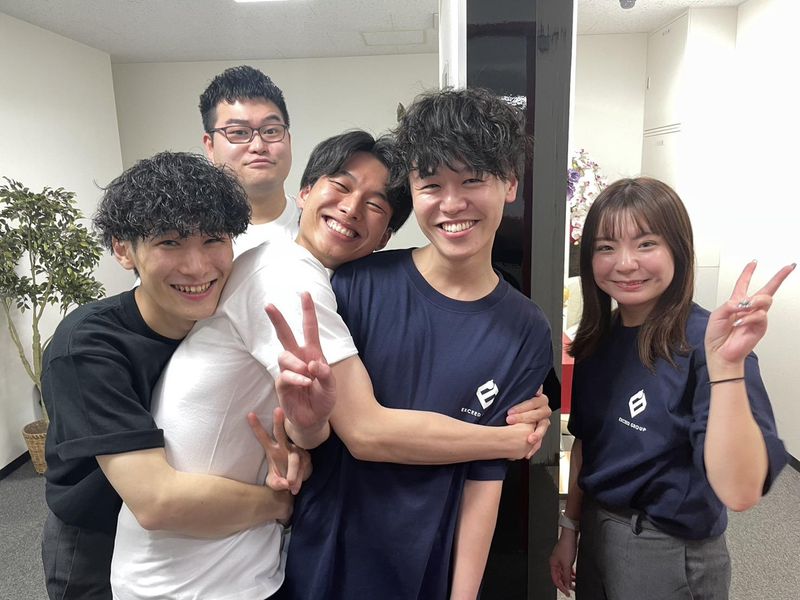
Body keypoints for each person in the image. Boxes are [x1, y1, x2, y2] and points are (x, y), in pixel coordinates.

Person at [110, 129, 551, 600]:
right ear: (304, 192)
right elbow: (364, 431)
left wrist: (302, 437)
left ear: (385, 235)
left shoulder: (311, 276)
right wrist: (505, 440)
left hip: (241, 565)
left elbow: (310, 426)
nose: (351, 208)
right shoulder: (289, 276)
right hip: (185, 579)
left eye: (376, 205)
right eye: (340, 186)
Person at [279, 88, 554, 600]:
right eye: (431, 184)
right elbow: (349, 431)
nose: (452, 204)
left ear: (510, 184)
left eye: (473, 180)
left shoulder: (526, 330)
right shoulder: (356, 285)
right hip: (326, 554)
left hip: (427, 562)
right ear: (412, 188)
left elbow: (483, 484)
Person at [40, 152, 294, 600]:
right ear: (123, 250)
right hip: (97, 534)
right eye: (170, 243)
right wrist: (281, 504)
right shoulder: (87, 346)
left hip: (199, 539)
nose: (197, 267)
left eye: (213, 239)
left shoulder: (224, 323)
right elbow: (157, 501)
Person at [549, 177, 793, 599]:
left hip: (666, 547)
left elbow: (740, 490)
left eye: (646, 243)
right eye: (606, 247)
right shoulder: (597, 339)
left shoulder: (709, 345)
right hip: (596, 529)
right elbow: (587, 444)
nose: (625, 263)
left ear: (678, 249)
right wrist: (569, 527)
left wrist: (727, 368)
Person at [200, 65, 298, 256]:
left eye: (271, 130)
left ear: (288, 139)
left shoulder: (322, 229)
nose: (258, 146)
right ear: (210, 146)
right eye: (239, 132)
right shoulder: (193, 238)